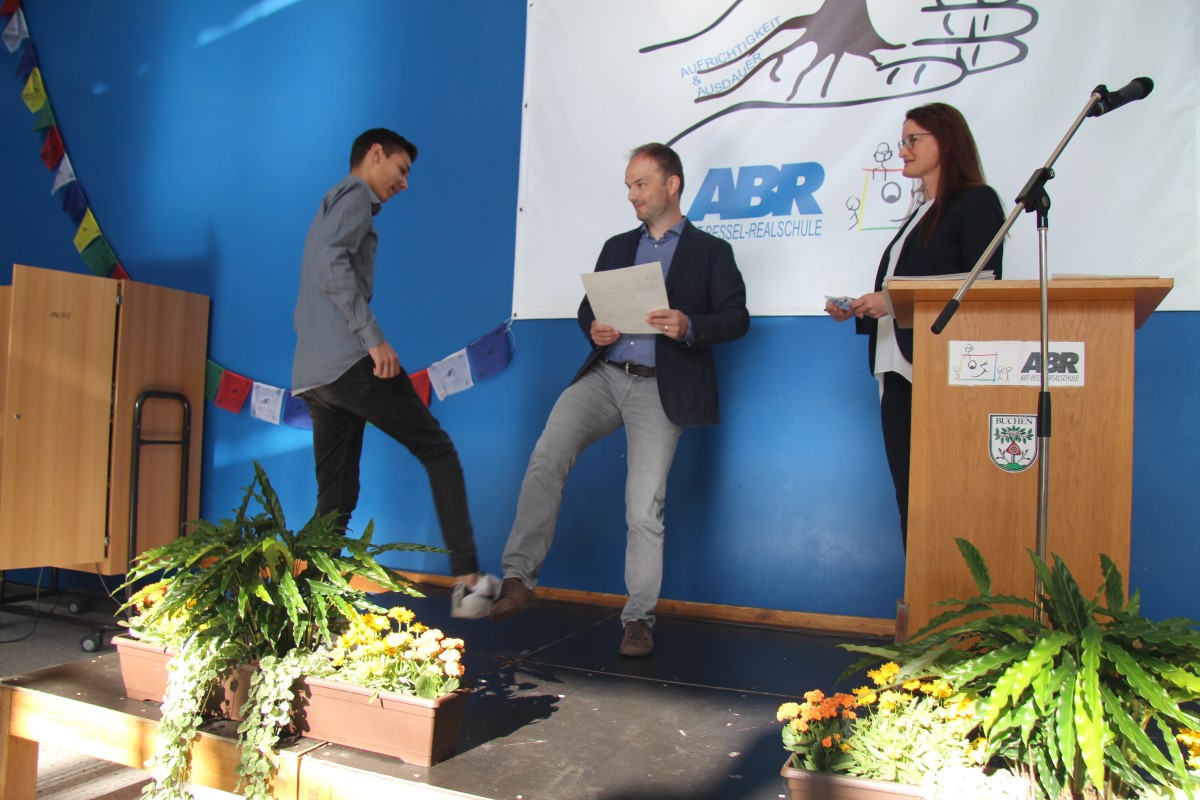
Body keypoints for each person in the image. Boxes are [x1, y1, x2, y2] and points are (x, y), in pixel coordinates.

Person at [489, 143, 750, 657]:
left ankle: (638, 620)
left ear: (672, 184)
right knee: (546, 457)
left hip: (660, 388)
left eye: (640, 184)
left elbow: (737, 318)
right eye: (629, 186)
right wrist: (596, 328)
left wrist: (689, 325)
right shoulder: (616, 246)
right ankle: (518, 577)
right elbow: (588, 310)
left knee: (643, 507)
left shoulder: (711, 252)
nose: (632, 194)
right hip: (604, 377)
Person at [291, 128, 498, 618]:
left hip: (315, 376)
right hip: (348, 364)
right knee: (437, 450)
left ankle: (301, 610)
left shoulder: (331, 202)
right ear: (375, 154)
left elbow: (318, 273)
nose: (404, 183)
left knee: (336, 498)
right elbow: (330, 264)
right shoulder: (355, 196)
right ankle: (469, 581)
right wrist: (373, 338)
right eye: (401, 170)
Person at [825, 103, 1004, 549]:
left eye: (912, 140)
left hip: (940, 368)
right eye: (902, 142)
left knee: (945, 495)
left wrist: (891, 300)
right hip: (897, 367)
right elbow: (911, 287)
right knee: (911, 497)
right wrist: (865, 307)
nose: (902, 151)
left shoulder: (976, 201)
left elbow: (982, 284)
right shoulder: (920, 211)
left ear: (947, 142)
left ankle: (955, 590)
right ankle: (921, 589)